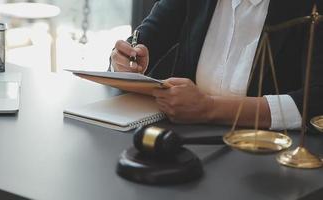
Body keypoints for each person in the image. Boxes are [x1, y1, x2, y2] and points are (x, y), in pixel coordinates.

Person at [110, 0, 323, 130]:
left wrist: (209, 108)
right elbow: (144, 39)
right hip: (184, 143)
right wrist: (123, 61)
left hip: (270, 157)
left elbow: (316, 100)